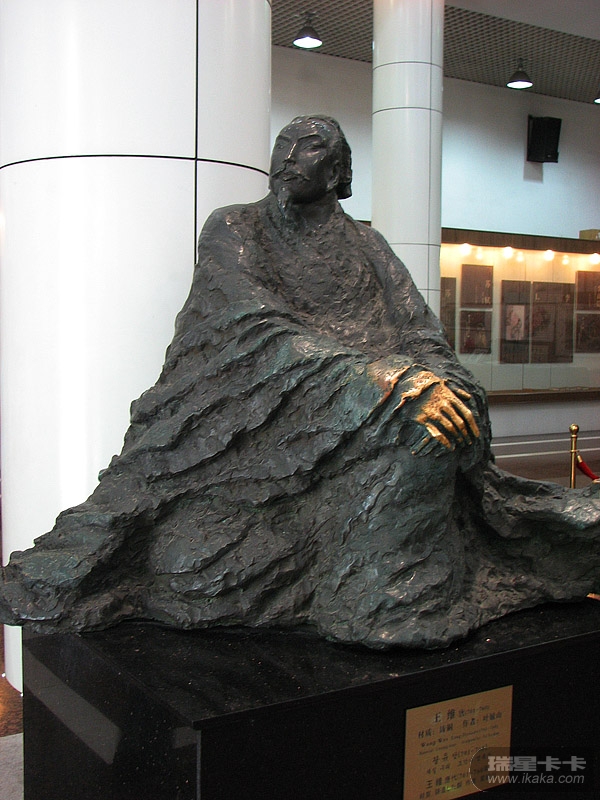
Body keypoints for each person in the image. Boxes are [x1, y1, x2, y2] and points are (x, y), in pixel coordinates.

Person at [1, 116, 599, 649]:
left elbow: (421, 334)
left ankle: (391, 601)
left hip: (381, 407)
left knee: (438, 419)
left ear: (338, 172)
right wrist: (372, 380)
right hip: (262, 416)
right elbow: (250, 325)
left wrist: (432, 381)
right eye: (283, 143)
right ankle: (377, 592)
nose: (288, 155)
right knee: (195, 560)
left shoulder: (368, 245)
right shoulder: (234, 227)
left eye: (308, 146)